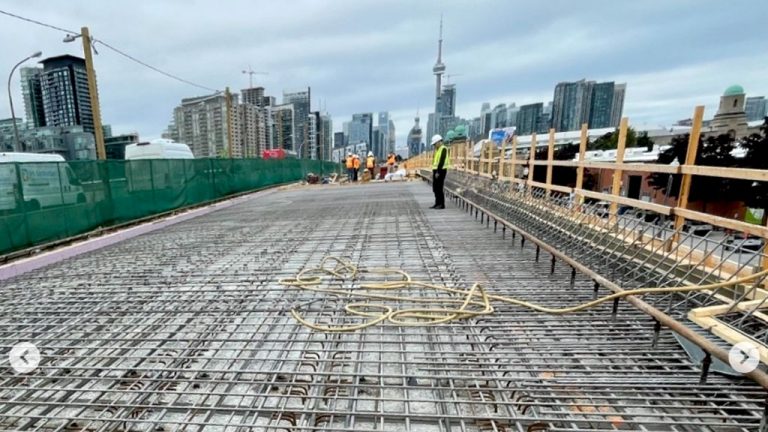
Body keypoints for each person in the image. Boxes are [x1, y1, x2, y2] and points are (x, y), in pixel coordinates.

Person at [430, 134, 450, 209]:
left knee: (439, 187)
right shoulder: (437, 150)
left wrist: (438, 172)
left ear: (439, 142)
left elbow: (441, 161)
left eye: (435, 144)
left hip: (441, 171)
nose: (434, 145)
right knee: (435, 188)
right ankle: (437, 203)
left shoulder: (444, 149)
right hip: (436, 170)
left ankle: (441, 204)